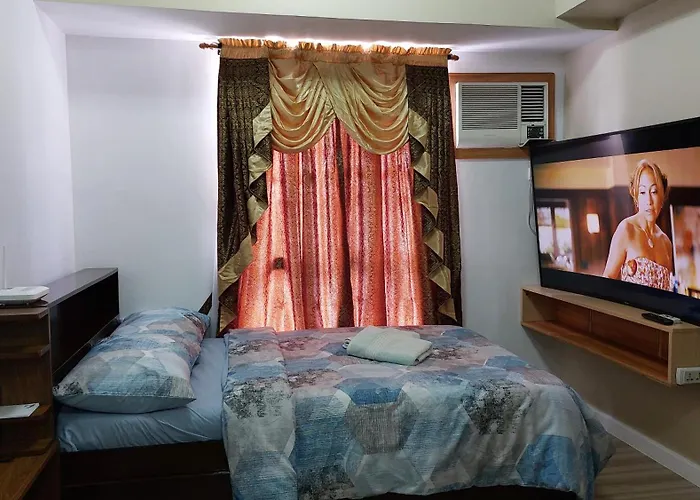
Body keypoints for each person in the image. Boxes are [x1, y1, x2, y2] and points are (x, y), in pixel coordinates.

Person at [603, 159, 673, 291]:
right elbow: (607, 279)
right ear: (636, 197)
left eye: (654, 191)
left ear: (662, 196)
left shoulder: (666, 242)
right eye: (642, 192)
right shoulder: (626, 230)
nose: (649, 201)